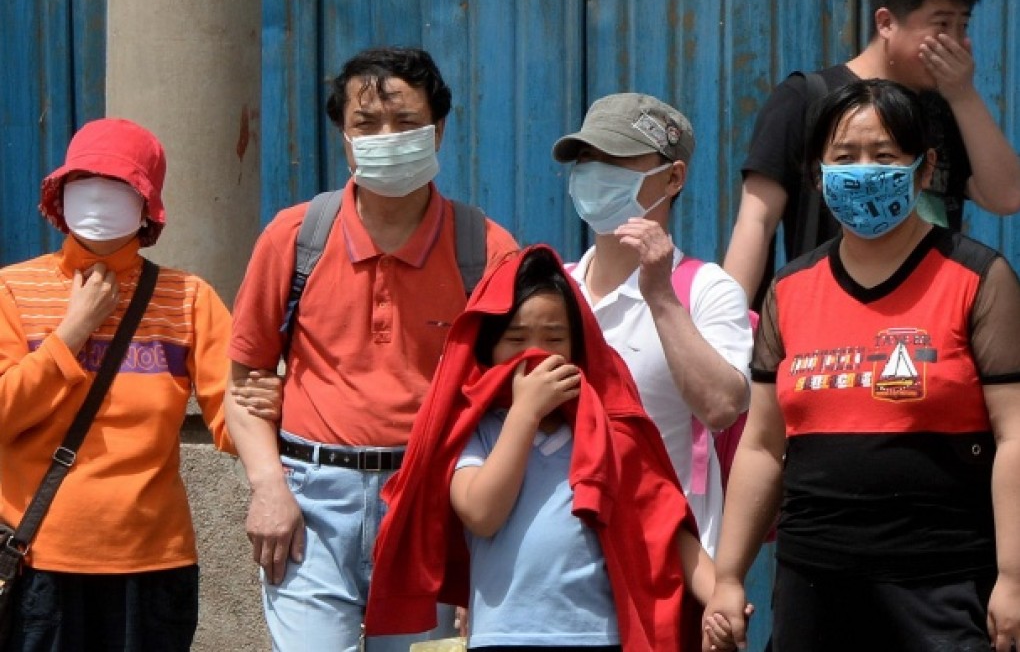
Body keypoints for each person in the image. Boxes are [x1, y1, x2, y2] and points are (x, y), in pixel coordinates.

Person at [703, 78, 1020, 652]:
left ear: (924, 171)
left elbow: (1015, 433)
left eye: (884, 156)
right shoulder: (791, 288)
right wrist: (727, 577)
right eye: (844, 158)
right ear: (819, 174)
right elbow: (760, 445)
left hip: (941, 586)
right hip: (813, 586)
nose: (863, 171)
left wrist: (1014, 578)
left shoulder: (978, 279)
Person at [225, 46, 518, 651]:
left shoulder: (485, 248)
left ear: (438, 130)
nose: (386, 136)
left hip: (430, 507)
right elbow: (244, 387)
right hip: (309, 505)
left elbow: (508, 401)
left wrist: (486, 554)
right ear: (344, 137)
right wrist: (267, 488)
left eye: (406, 122)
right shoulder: (295, 237)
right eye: (367, 124)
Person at [365, 245, 745, 651]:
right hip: (503, 639)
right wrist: (524, 414)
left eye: (554, 338)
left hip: (599, 638)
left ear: (578, 347)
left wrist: (719, 592)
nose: (536, 353)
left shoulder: (611, 431)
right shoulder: (477, 431)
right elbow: (481, 513)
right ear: (489, 347)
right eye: (516, 338)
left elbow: (663, 529)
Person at [0, 117, 279, 651]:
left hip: (153, 567)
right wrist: (73, 331)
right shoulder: (14, 291)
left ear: (148, 203)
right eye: (86, 181)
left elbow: (232, 417)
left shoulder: (187, 298)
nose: (102, 197)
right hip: (40, 560)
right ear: (60, 193)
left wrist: (273, 405)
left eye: (121, 185)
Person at [723, 0, 1020, 309]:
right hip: (827, 321)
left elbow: (1007, 196)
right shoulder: (805, 99)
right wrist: (728, 329)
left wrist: (963, 95)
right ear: (886, 23)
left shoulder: (945, 110)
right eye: (941, 25)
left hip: (924, 326)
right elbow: (755, 222)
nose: (956, 43)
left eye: (963, 27)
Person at [551, 93, 753, 555]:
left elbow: (722, 406)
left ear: (673, 177)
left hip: (663, 560)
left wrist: (660, 294)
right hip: (558, 567)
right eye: (586, 158)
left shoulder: (706, 290)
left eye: (616, 159)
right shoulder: (553, 290)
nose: (595, 172)